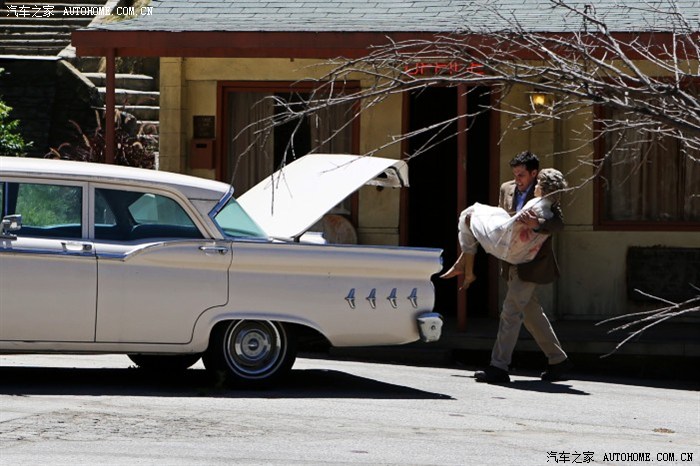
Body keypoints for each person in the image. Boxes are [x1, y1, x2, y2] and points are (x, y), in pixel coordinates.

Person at [443, 151, 572, 383]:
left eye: (522, 175)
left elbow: (558, 224)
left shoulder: (545, 193)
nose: (517, 179)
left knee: (510, 312)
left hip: (532, 264)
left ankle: (499, 366)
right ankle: (558, 360)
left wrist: (537, 223)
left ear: (534, 173)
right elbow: (501, 222)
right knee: (531, 314)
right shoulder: (507, 189)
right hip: (510, 259)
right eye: (515, 174)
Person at [440, 167, 568, 291]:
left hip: (517, 253)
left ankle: (466, 269)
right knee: (528, 305)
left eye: (538, 183)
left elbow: (558, 225)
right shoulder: (538, 203)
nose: (535, 186)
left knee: (468, 215)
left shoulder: (541, 205)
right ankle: (465, 268)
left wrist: (536, 223)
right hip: (516, 253)